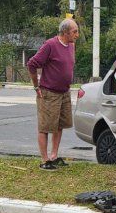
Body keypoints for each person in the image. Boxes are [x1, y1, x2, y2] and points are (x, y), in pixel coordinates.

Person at [27, 18, 79, 171]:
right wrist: (36, 86)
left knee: (59, 125)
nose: (77, 34)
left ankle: (54, 156)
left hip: (64, 92)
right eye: (74, 31)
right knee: (45, 127)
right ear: (65, 32)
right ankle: (44, 161)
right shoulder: (50, 45)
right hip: (49, 93)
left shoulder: (71, 46)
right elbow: (32, 64)